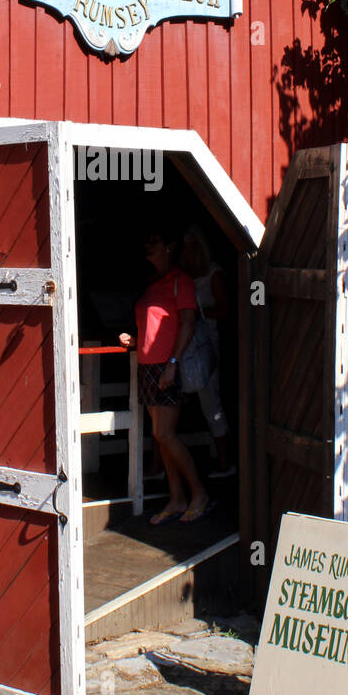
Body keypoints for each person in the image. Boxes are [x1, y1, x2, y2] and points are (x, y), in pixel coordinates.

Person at [119, 224, 215, 525]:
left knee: (164, 434)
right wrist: (135, 341)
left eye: (155, 240)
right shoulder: (154, 283)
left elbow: (187, 323)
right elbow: (154, 327)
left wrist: (172, 362)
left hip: (166, 366)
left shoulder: (180, 282)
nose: (149, 245)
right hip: (147, 365)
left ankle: (199, 493)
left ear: (169, 247)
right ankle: (176, 499)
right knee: (160, 438)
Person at [181, 225, 235, 477]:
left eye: (191, 247)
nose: (186, 253)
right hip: (184, 342)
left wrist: (197, 315)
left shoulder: (213, 274)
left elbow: (225, 310)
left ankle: (225, 462)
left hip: (206, 345)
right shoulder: (184, 276)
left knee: (210, 402)